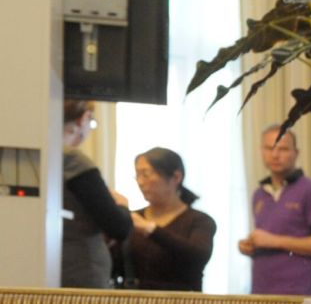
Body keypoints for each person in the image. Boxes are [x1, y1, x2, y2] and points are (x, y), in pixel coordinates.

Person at [239, 125, 311, 295]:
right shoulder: (259, 194)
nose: (275, 154)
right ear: (261, 151)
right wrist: (249, 246)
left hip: (300, 295)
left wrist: (273, 240)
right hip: (261, 292)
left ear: (296, 153)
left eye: (283, 148)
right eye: (270, 148)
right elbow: (266, 241)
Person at [59, 100, 132, 288]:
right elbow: (118, 226)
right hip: (81, 269)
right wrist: (122, 205)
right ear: (84, 119)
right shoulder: (73, 160)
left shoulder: (45, 152)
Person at [126, 147, 216, 292]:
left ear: (176, 177)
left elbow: (197, 256)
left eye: (146, 174)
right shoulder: (134, 218)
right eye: (138, 175)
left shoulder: (200, 221)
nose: (141, 182)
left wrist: (151, 230)